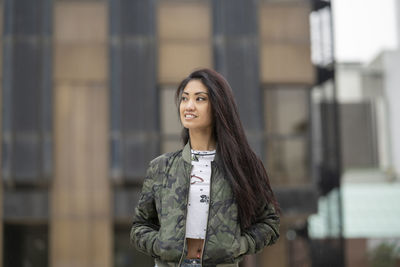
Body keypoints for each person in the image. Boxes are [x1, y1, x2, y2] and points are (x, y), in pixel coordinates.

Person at [131, 68, 280, 267]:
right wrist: (161, 246)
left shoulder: (241, 165)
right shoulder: (161, 167)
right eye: (184, 99)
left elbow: (269, 223)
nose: (189, 106)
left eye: (200, 99)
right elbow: (140, 226)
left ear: (219, 105)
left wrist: (239, 245)